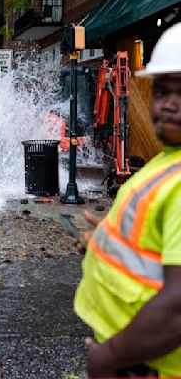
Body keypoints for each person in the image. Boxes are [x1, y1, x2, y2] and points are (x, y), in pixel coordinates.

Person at [74, 23, 181, 378]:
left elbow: (177, 309)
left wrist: (110, 357)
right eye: (163, 91)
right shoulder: (168, 163)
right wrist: (108, 245)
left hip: (151, 363)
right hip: (136, 352)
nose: (170, 104)